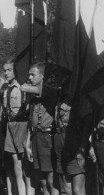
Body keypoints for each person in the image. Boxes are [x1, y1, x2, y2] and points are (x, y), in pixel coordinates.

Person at [22, 63, 58, 195]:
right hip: (36, 136)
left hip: (47, 137)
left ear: (43, 76)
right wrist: (27, 143)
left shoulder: (49, 90)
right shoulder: (33, 96)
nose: (30, 77)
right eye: (29, 75)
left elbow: (24, 87)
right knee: (42, 180)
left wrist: (25, 86)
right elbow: (31, 122)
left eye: (33, 74)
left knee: (51, 179)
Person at [2, 61, 31, 195]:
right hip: (10, 125)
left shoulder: (23, 87)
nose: (6, 73)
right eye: (5, 70)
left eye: (9, 70)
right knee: (16, 163)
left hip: (22, 125)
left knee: (25, 164)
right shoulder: (6, 88)